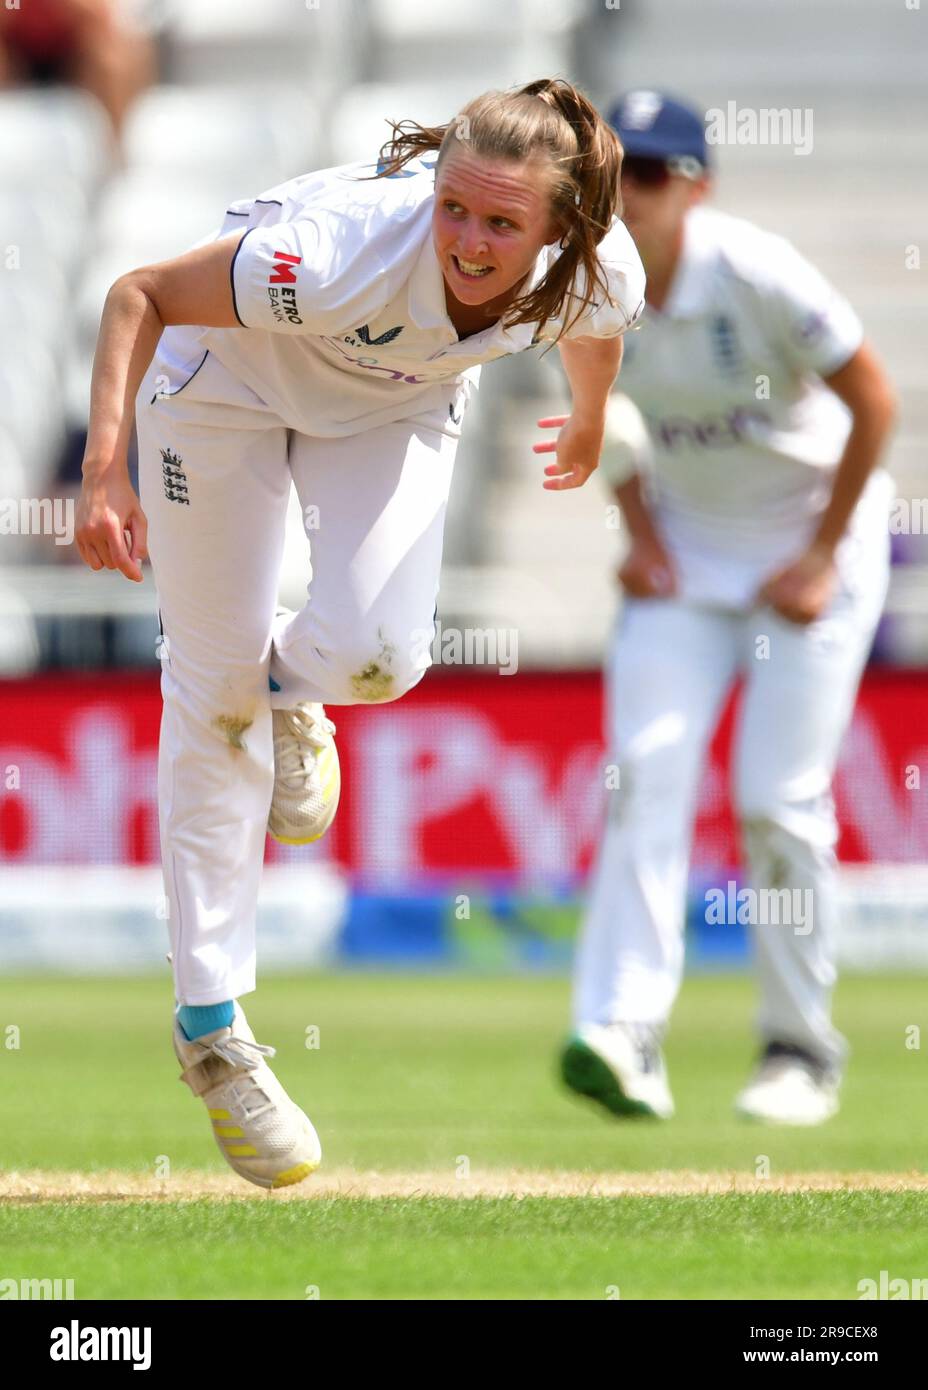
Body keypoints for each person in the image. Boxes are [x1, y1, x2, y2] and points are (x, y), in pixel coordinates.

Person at [74, 78, 646, 1188]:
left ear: (562, 228)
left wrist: (584, 419)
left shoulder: (602, 265)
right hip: (219, 385)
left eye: (501, 223)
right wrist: (106, 471)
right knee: (213, 687)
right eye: (454, 209)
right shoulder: (334, 252)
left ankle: (295, 689)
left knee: (382, 660)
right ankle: (213, 1029)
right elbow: (139, 291)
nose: (469, 243)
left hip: (389, 401)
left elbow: (597, 325)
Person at [561, 91, 897, 1127]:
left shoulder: (754, 270)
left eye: (652, 177)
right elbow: (598, 421)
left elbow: (873, 399)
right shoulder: (581, 286)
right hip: (688, 565)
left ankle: (799, 1049)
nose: (629, 200)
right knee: (645, 772)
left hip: (805, 555)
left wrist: (820, 553)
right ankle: (624, 1034)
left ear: (696, 186)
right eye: (612, 179)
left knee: (775, 801)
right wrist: (643, 540)